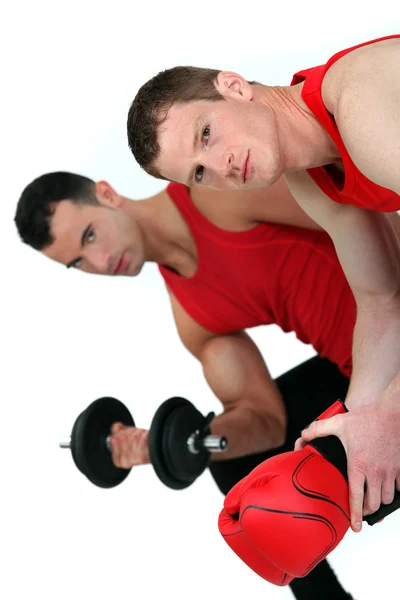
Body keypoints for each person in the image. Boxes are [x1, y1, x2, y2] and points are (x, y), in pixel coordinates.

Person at [14, 170, 367, 598]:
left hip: (392, 331)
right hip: (363, 376)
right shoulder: (194, 318)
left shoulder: (216, 192)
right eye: (79, 262)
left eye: (90, 236)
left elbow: (361, 211)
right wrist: (172, 442)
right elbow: (266, 423)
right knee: (229, 460)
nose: (101, 261)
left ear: (107, 194)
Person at [126, 34, 400, 532]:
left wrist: (392, 410)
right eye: (200, 174)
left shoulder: (359, 103)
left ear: (234, 87)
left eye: (206, 135)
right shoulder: (309, 179)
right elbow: (382, 299)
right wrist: (357, 425)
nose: (221, 168)